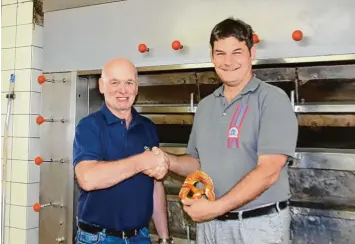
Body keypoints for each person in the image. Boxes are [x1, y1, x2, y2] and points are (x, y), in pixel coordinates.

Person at [153, 18, 299, 243]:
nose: (228, 61)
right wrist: (165, 160)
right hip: (211, 226)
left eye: (237, 52)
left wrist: (216, 208)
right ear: (211, 56)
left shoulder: (272, 99)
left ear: (252, 53)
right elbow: (198, 163)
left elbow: (269, 171)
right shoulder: (205, 106)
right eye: (220, 53)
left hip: (258, 227)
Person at [72, 58, 174, 244]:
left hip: (140, 236)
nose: (123, 90)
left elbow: (155, 187)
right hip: (97, 238)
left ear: (137, 86)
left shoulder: (147, 127)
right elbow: (88, 178)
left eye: (129, 83)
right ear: (101, 86)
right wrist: (142, 161)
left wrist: (164, 237)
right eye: (114, 82)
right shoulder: (89, 126)